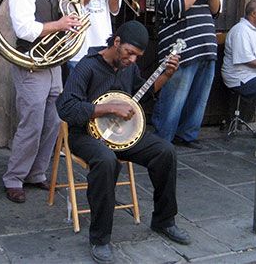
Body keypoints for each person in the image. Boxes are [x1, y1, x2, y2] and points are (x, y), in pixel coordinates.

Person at [56, 20, 191, 264]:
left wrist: (167, 75)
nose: (132, 60)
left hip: (121, 135)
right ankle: (100, 239)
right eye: (129, 53)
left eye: (137, 56)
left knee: (165, 151)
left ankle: (164, 220)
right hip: (84, 135)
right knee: (107, 161)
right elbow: (66, 107)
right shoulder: (87, 67)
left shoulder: (129, 68)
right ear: (116, 42)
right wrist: (107, 108)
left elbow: (143, 95)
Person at [3, 0, 82, 203]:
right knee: (32, 124)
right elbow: (24, 29)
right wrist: (60, 25)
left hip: (52, 63)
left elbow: (67, 16)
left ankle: (36, 173)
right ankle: (14, 178)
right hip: (32, 65)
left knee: (53, 122)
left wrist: (73, 0)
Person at [152, 0, 220, 148]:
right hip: (181, 55)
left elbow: (215, 11)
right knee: (173, 99)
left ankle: (187, 135)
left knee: (198, 99)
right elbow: (178, 7)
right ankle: (162, 139)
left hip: (206, 51)